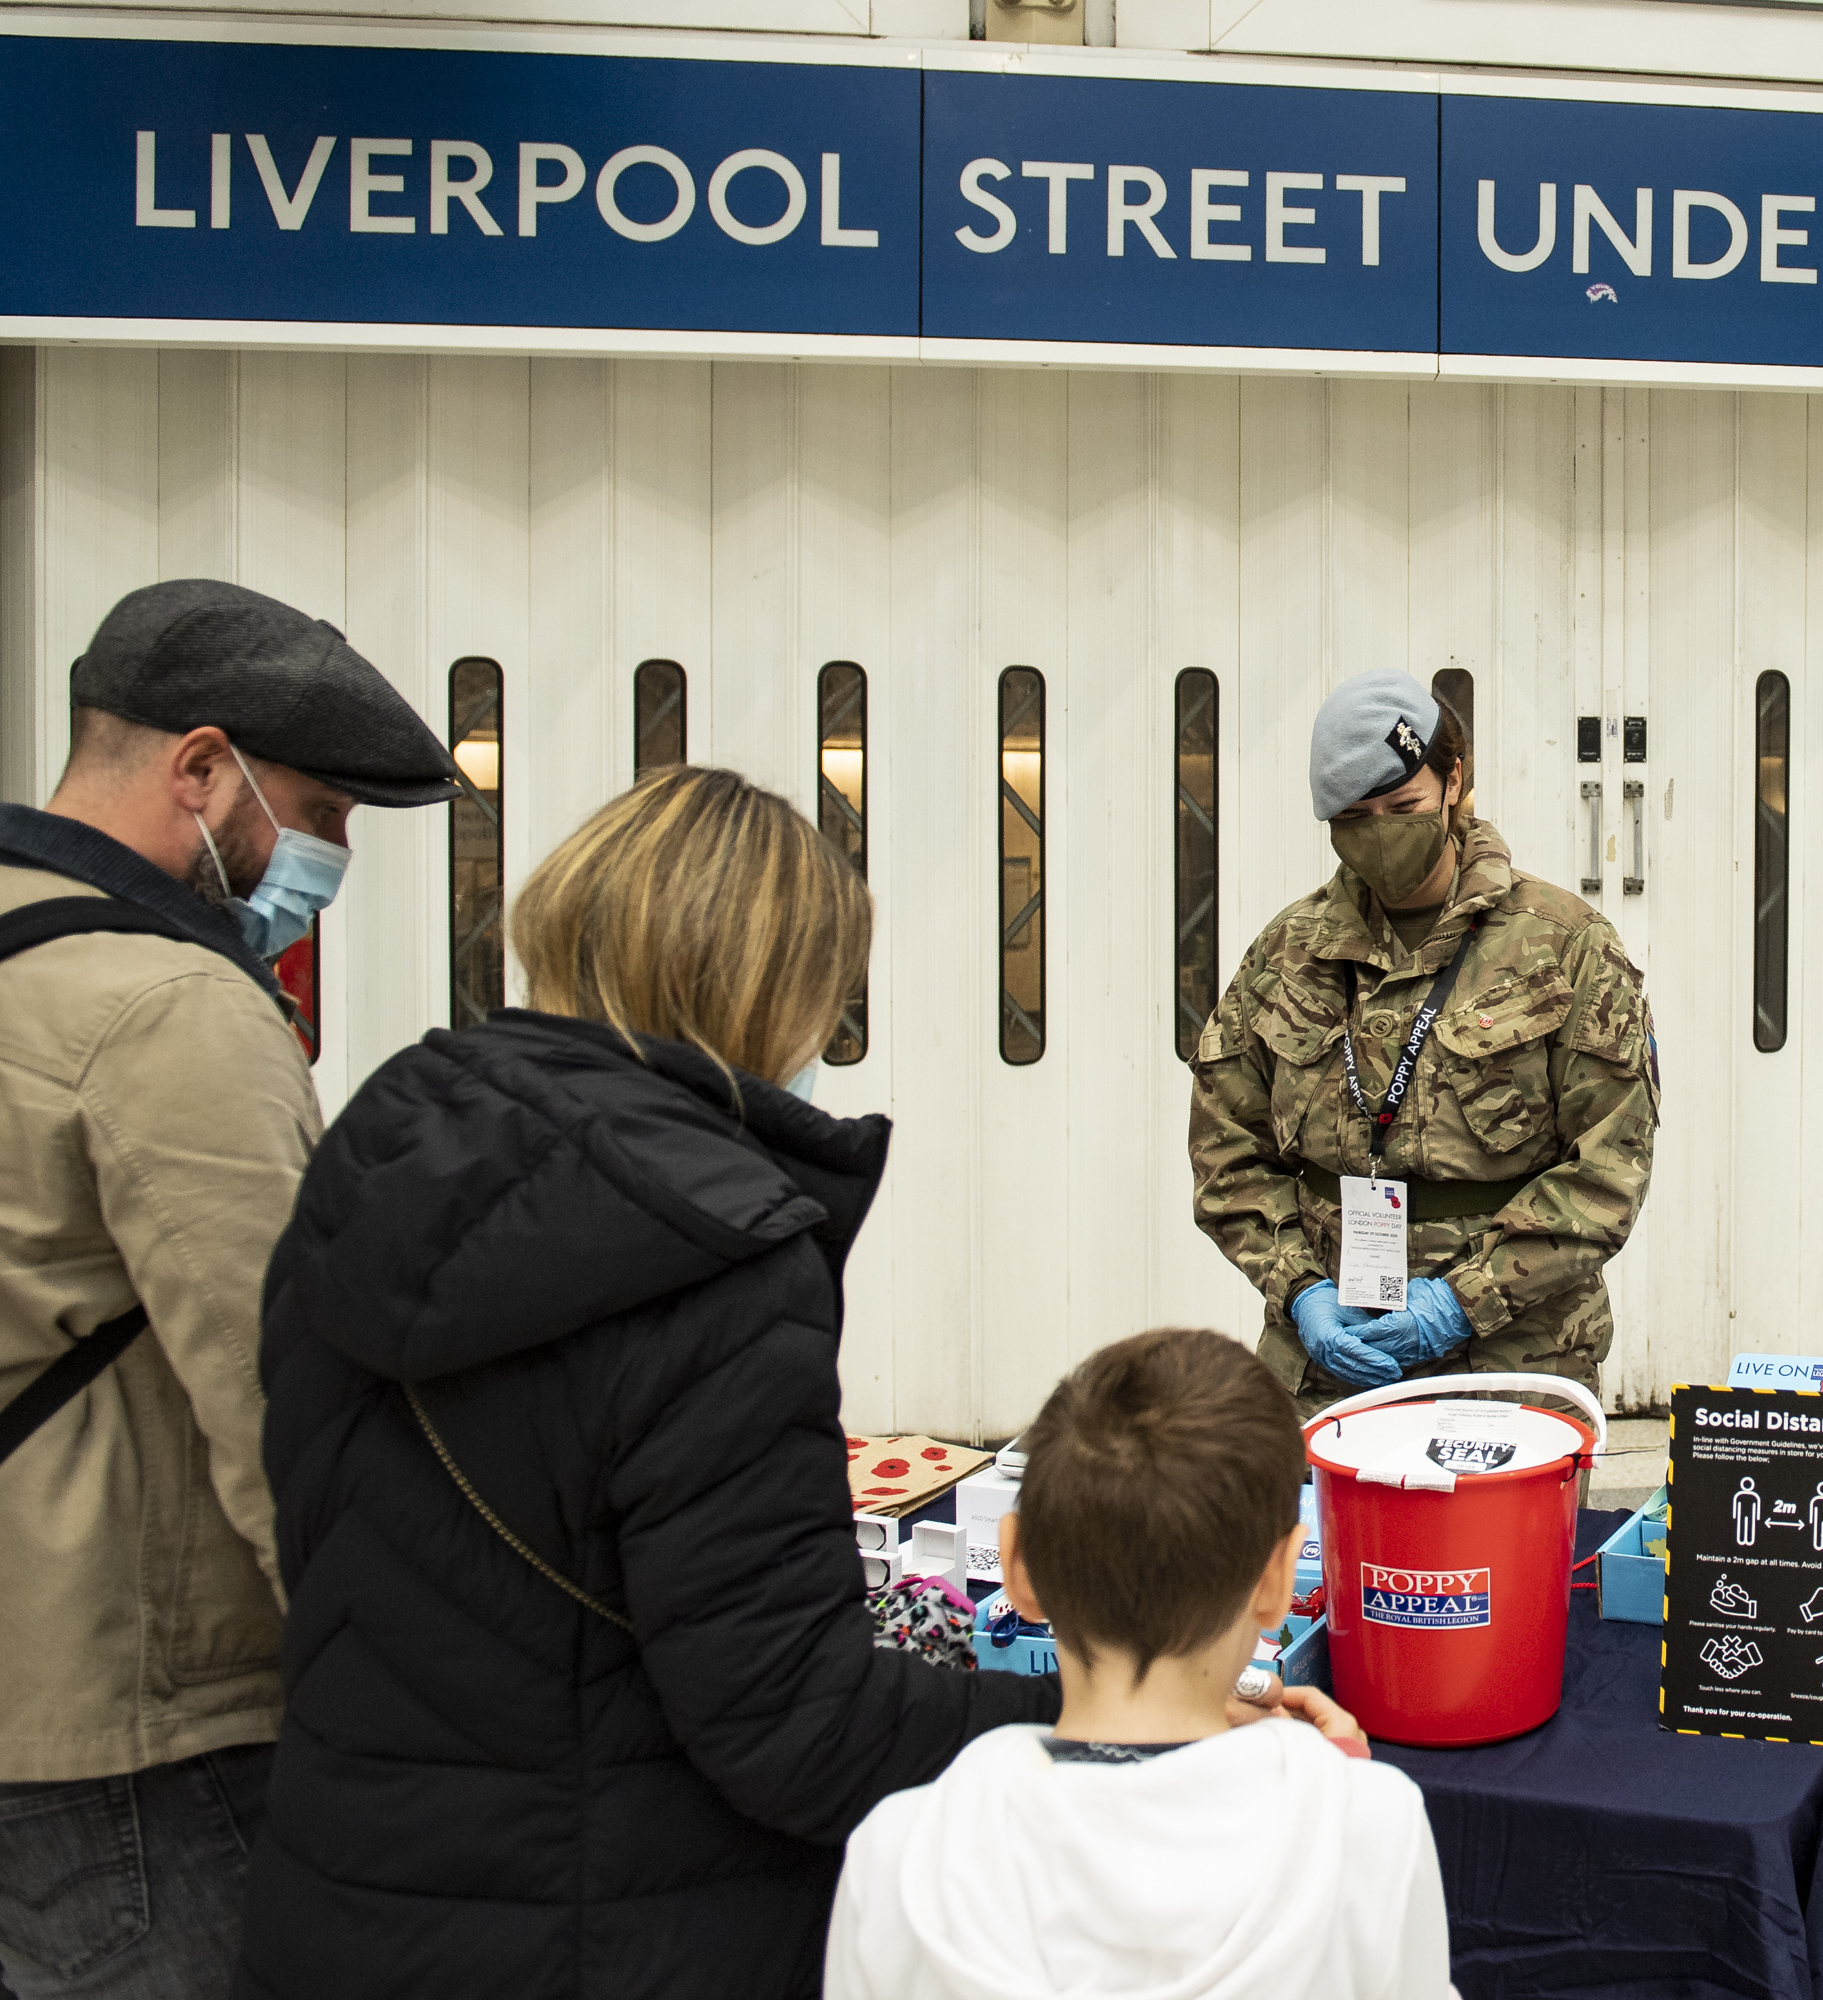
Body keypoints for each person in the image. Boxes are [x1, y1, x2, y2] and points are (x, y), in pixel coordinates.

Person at [239, 768, 1060, 2000]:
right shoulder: (715, 1248)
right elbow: (803, 1728)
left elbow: (323, 1534)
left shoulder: (383, 1147)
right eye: (828, 1002)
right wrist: (1097, 1726)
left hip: (346, 1892)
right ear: (767, 991)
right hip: (604, 1923)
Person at [0, 580, 455, 2000]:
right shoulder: (171, 1008)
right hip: (131, 1729)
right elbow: (281, 1402)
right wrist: (403, 1706)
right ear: (200, 769)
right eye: (320, 814)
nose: (327, 858)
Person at [823, 1327, 1440, 2000]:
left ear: (1017, 1565)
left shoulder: (893, 1859)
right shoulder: (1378, 1831)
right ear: (1279, 1582)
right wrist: (1341, 1788)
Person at [1190, 670, 1658, 1406]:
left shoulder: (1565, 947)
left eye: (1402, 805)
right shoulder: (1286, 955)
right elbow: (1225, 1151)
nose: (1380, 830)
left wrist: (1458, 1303)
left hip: (1513, 1367)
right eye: (1355, 814)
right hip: (1329, 1371)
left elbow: (1608, 1173)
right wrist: (1300, 1288)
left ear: (1453, 782)